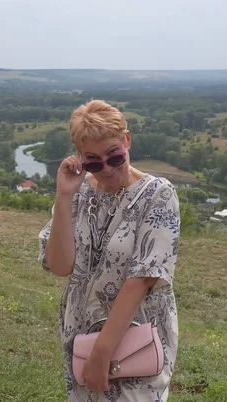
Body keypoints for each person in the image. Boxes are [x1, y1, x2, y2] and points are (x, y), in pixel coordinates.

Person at [37, 100, 180, 402]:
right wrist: (64, 197)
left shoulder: (158, 195)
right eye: (93, 161)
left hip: (136, 334)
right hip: (81, 332)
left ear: (126, 140)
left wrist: (103, 351)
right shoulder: (79, 193)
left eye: (113, 156)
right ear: (80, 157)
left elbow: (142, 279)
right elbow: (61, 266)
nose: (106, 168)